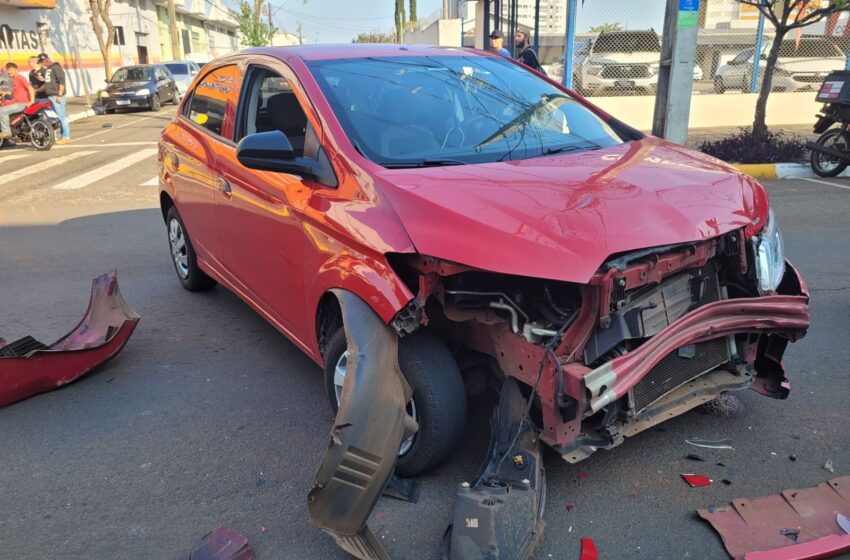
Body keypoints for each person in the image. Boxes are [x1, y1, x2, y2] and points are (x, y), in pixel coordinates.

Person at [37, 53, 70, 144]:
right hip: (51, 96)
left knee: (61, 116)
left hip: (56, 96)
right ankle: (63, 135)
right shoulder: (48, 69)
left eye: (42, 62)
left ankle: (66, 137)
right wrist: (38, 90)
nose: (41, 64)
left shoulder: (56, 67)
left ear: (46, 60)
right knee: (58, 117)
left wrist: (59, 95)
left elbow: (61, 81)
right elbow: (49, 83)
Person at [0, 62, 36, 140]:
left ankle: (6, 131)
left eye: (11, 70)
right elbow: (15, 91)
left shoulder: (20, 78)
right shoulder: (13, 80)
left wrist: (31, 101)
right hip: (16, 103)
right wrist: (5, 93)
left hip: (21, 103)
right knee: (4, 106)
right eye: (8, 70)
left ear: (16, 70)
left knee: (2, 111)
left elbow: (30, 88)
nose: (9, 72)